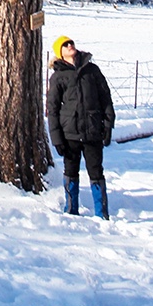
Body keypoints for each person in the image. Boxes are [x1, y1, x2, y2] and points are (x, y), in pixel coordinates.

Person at [46, 34, 116, 220]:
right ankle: (71, 211)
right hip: (70, 134)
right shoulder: (58, 76)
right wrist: (56, 138)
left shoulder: (92, 70)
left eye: (71, 42)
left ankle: (102, 214)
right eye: (65, 44)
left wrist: (108, 126)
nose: (70, 45)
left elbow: (106, 99)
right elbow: (52, 110)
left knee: (96, 172)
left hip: (93, 131)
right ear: (59, 53)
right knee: (70, 171)